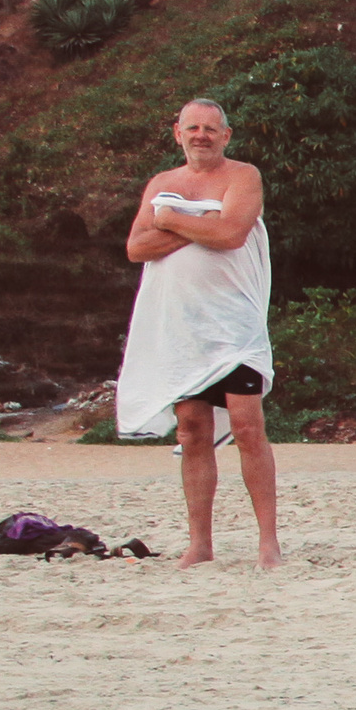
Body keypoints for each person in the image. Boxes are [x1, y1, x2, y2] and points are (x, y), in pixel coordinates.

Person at [116, 98, 281, 569]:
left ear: (226, 135)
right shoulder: (161, 184)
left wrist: (170, 219)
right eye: (193, 128)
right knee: (192, 432)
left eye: (211, 128)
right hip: (181, 330)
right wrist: (198, 224)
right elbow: (137, 248)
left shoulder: (243, 176)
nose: (201, 135)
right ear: (178, 133)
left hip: (234, 327)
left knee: (248, 428)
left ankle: (268, 542)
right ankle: (200, 544)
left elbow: (231, 234)